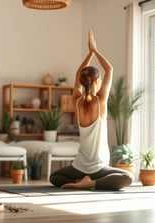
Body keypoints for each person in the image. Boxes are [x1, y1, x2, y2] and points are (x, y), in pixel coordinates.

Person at [49, 30, 133, 190]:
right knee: (127, 178)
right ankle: (91, 183)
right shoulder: (101, 100)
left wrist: (89, 55)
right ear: (96, 82)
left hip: (79, 166)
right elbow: (110, 69)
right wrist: (94, 50)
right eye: (99, 80)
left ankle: (80, 181)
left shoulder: (76, 101)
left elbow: (77, 74)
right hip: (99, 168)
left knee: (55, 177)